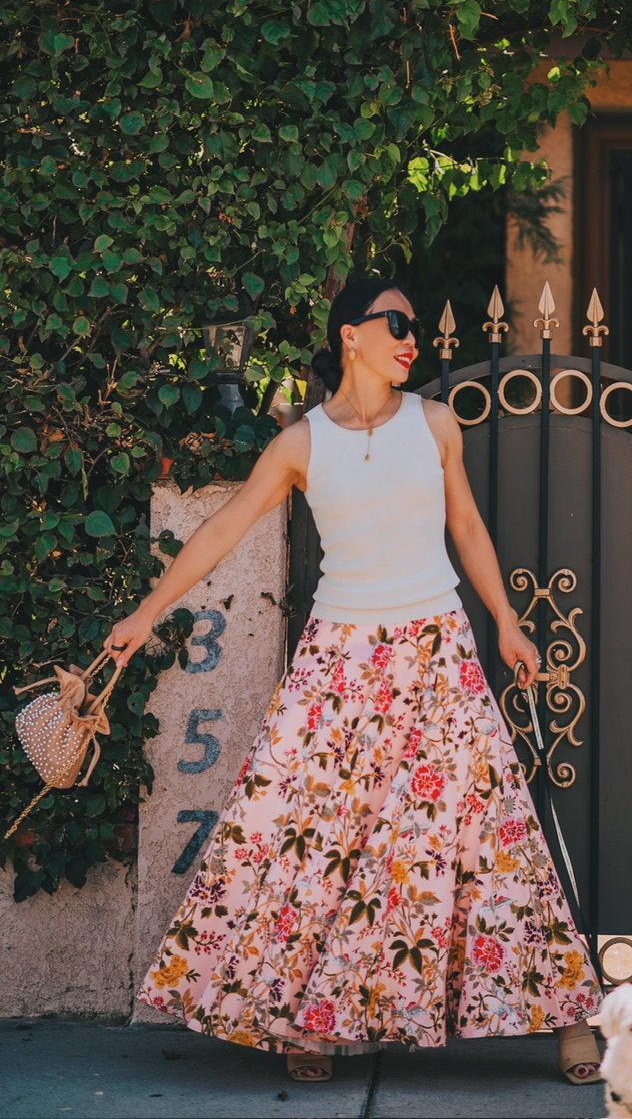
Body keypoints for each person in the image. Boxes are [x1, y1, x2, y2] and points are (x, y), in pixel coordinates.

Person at [105, 277, 602, 1084]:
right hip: (338, 661)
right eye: (397, 323)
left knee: (487, 833)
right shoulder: (303, 443)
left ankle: (571, 1019)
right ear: (350, 335)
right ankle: (302, 1018)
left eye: (415, 325)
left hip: (436, 649)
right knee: (306, 834)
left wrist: (507, 622)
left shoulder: (435, 423)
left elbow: (467, 525)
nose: (414, 339)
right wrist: (144, 614)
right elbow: (227, 525)